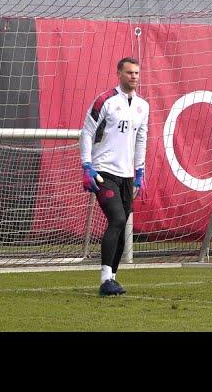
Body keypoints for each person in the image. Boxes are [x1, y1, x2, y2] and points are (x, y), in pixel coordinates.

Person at [80, 57, 149, 296]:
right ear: (119, 74)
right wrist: (87, 166)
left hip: (127, 175)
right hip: (104, 171)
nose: (134, 76)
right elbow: (87, 132)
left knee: (121, 226)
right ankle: (104, 279)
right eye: (129, 72)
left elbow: (141, 139)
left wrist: (139, 171)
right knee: (118, 219)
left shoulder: (143, 106)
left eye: (137, 73)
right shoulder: (105, 101)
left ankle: (112, 279)